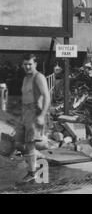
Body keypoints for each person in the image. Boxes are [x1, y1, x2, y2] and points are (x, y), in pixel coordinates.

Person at [15, 54, 50, 183]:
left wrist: (41, 116)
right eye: (25, 64)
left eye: (30, 64)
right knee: (18, 142)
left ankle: (32, 173)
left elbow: (47, 96)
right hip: (25, 112)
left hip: (35, 112)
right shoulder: (25, 78)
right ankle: (39, 160)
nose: (27, 66)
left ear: (35, 64)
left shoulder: (39, 77)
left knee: (30, 143)